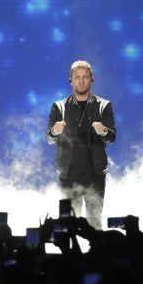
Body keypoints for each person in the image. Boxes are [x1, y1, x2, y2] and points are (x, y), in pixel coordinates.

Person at [46, 60, 116, 229]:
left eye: (85, 77)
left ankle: (95, 254)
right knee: (68, 224)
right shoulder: (59, 107)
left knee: (94, 222)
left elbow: (112, 137)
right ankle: (70, 255)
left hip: (95, 175)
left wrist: (103, 131)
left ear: (92, 79)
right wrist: (55, 131)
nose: (81, 81)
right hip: (68, 175)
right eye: (77, 77)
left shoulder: (104, 105)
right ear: (71, 80)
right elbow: (49, 138)